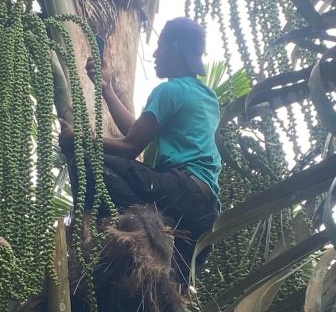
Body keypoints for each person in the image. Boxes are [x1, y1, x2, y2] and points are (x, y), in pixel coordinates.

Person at [60, 17, 221, 286]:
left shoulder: (170, 89)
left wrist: (79, 138)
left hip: (181, 188)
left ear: (176, 47)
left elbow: (130, 146)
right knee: (171, 287)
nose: (156, 54)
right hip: (204, 210)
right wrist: (106, 89)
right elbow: (137, 131)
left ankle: (122, 228)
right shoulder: (206, 95)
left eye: (160, 46)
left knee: (89, 164)